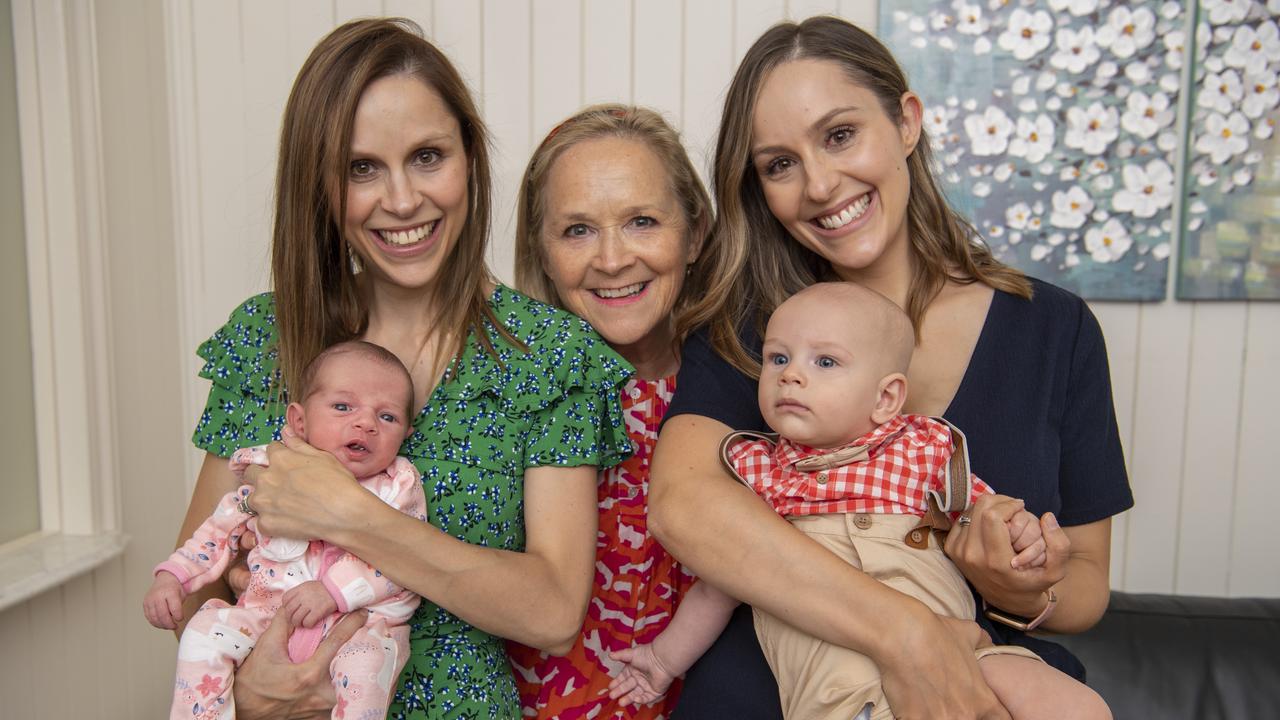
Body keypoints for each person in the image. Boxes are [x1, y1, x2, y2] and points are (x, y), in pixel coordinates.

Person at [648, 16, 1133, 720]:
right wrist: (904, 633)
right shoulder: (754, 330)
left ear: (906, 122)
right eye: (779, 164)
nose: (819, 183)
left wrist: (1018, 587)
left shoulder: (1055, 331)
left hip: (983, 689)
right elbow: (683, 506)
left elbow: (1086, 585)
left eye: (840, 134)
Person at [175, 18, 633, 719]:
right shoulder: (268, 339)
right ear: (320, 186)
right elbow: (195, 581)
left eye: (427, 156)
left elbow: (549, 608)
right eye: (362, 168)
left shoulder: (547, 356)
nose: (401, 200)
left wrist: (350, 515)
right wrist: (249, 692)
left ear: (470, 158)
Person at [611, 283, 1110, 720]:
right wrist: (662, 662)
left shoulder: (921, 450)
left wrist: (1021, 544)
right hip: (844, 697)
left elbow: (989, 518)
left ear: (886, 398)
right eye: (778, 358)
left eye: (824, 362)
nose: (791, 376)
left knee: (1079, 707)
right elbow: (714, 589)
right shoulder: (759, 475)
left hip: (963, 660)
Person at [507, 104, 711, 719]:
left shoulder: (751, 382)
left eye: (642, 221)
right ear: (541, 252)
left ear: (695, 234)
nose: (614, 259)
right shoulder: (515, 391)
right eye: (577, 230)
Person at [146, 341, 427, 720]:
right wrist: (173, 576)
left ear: (406, 433)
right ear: (299, 421)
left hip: (359, 628)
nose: (366, 423)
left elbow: (405, 558)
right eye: (343, 407)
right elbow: (218, 529)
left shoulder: (398, 487)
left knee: (368, 668)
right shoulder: (274, 473)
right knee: (203, 632)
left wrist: (334, 591)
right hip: (266, 615)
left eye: (387, 417)